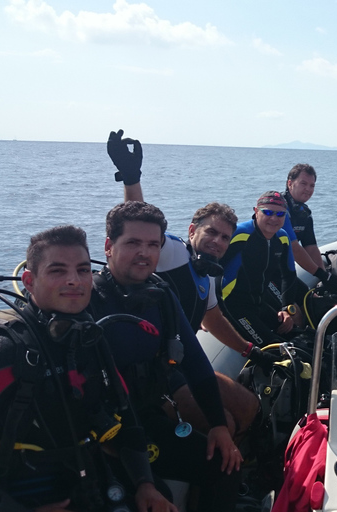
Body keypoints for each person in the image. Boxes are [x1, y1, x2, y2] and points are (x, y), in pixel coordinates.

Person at [0, 225, 175, 512]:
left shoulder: (88, 340)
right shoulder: (0, 353)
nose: (74, 280)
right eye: (57, 271)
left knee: (163, 494)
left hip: (84, 482)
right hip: (18, 496)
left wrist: (145, 483)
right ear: (29, 281)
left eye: (83, 270)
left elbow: (128, 418)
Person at [107, 129, 263, 437]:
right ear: (192, 231)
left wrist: (250, 351)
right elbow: (140, 221)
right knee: (225, 424)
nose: (218, 241)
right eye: (211, 233)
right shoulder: (172, 252)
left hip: (179, 364)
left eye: (225, 238)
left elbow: (212, 319)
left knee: (249, 406)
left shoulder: (208, 275)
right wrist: (130, 177)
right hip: (150, 373)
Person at [89, 201, 241, 512]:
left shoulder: (161, 296)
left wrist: (217, 425)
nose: (143, 252)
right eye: (132, 243)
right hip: (104, 438)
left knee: (227, 466)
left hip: (149, 420)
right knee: (160, 499)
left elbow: (196, 364)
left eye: (151, 244)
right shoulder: (86, 302)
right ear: (108, 246)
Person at [220, 191, 304, 347]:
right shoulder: (239, 234)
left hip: (259, 304)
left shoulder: (282, 238)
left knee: (301, 338)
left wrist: (286, 308)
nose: (274, 218)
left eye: (280, 214)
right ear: (256, 211)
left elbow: (289, 276)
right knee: (275, 347)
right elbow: (211, 268)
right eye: (267, 212)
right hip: (232, 307)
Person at [280, 163, 337, 292]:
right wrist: (321, 274)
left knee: (315, 302)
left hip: (283, 271)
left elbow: (311, 248)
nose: (308, 189)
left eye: (312, 185)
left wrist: (326, 277)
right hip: (265, 269)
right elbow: (294, 248)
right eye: (303, 183)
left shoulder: (305, 214)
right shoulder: (279, 208)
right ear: (290, 183)